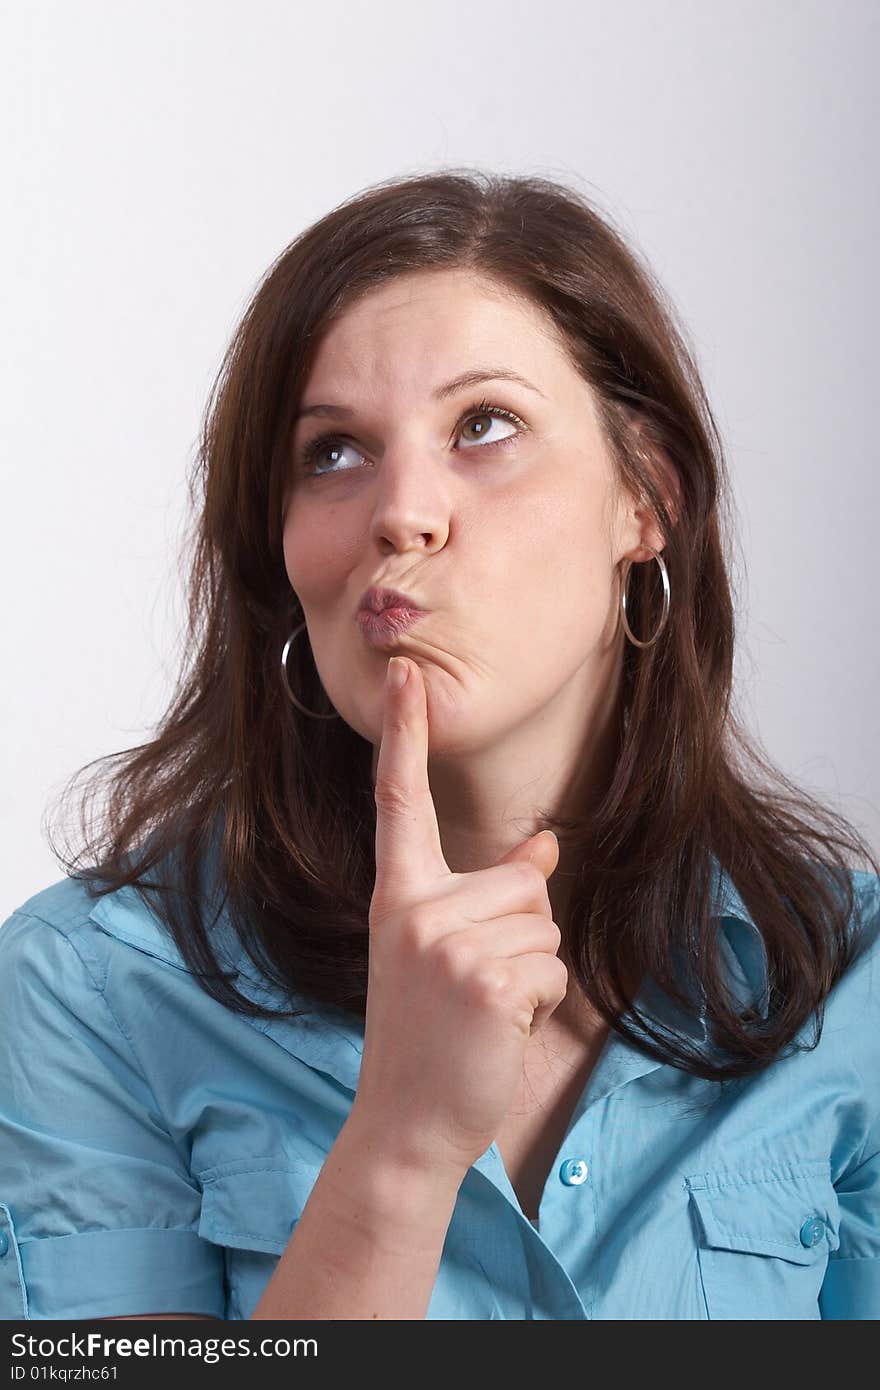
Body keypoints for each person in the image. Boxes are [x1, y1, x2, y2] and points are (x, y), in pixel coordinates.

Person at [1, 169, 878, 1322]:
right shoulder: (91, 987)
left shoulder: (845, 970)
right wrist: (401, 1148)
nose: (399, 511)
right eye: (332, 452)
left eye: (485, 426)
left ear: (645, 496)